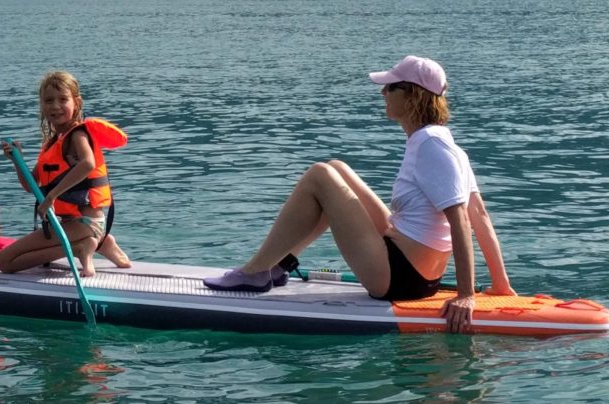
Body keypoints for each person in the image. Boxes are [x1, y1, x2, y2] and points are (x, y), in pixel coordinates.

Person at [203, 56, 516, 333]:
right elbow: (482, 216)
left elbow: (462, 219)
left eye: (390, 87)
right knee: (337, 169)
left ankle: (255, 272)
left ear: (412, 95)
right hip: (415, 272)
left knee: (320, 176)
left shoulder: (431, 146)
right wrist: (501, 285)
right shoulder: (445, 144)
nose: (382, 93)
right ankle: (277, 266)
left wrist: (466, 295)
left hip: (398, 277)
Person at [0, 71, 131, 277]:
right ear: (41, 105)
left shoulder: (77, 134)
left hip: (86, 223)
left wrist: (52, 196)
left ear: (76, 103)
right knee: (7, 260)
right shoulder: (52, 143)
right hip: (72, 225)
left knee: (4, 262)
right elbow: (30, 185)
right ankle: (100, 243)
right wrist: (18, 161)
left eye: (63, 99)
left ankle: (83, 247)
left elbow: (87, 163)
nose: (55, 106)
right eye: (48, 100)